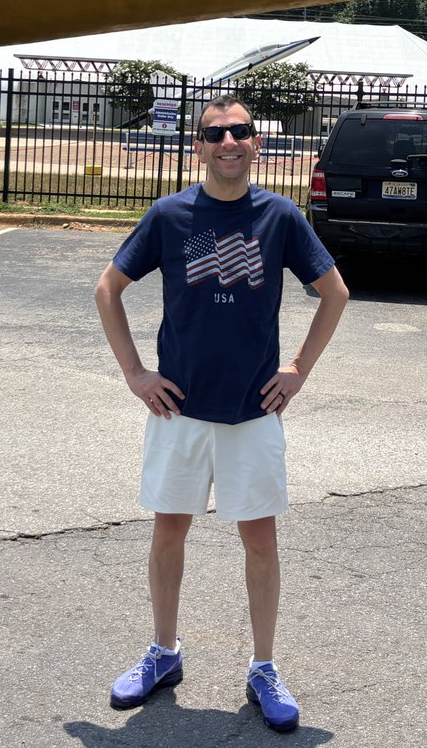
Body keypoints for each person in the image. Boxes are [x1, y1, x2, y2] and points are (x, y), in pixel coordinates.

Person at [95, 95, 348, 733]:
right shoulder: (171, 215)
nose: (229, 142)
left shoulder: (280, 216)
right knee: (168, 532)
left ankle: (263, 667)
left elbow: (335, 292)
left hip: (252, 414)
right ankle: (163, 653)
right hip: (178, 411)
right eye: (216, 134)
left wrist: (297, 372)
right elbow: (108, 290)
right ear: (199, 146)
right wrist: (134, 374)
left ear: (257, 144)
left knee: (259, 541)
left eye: (240, 132)